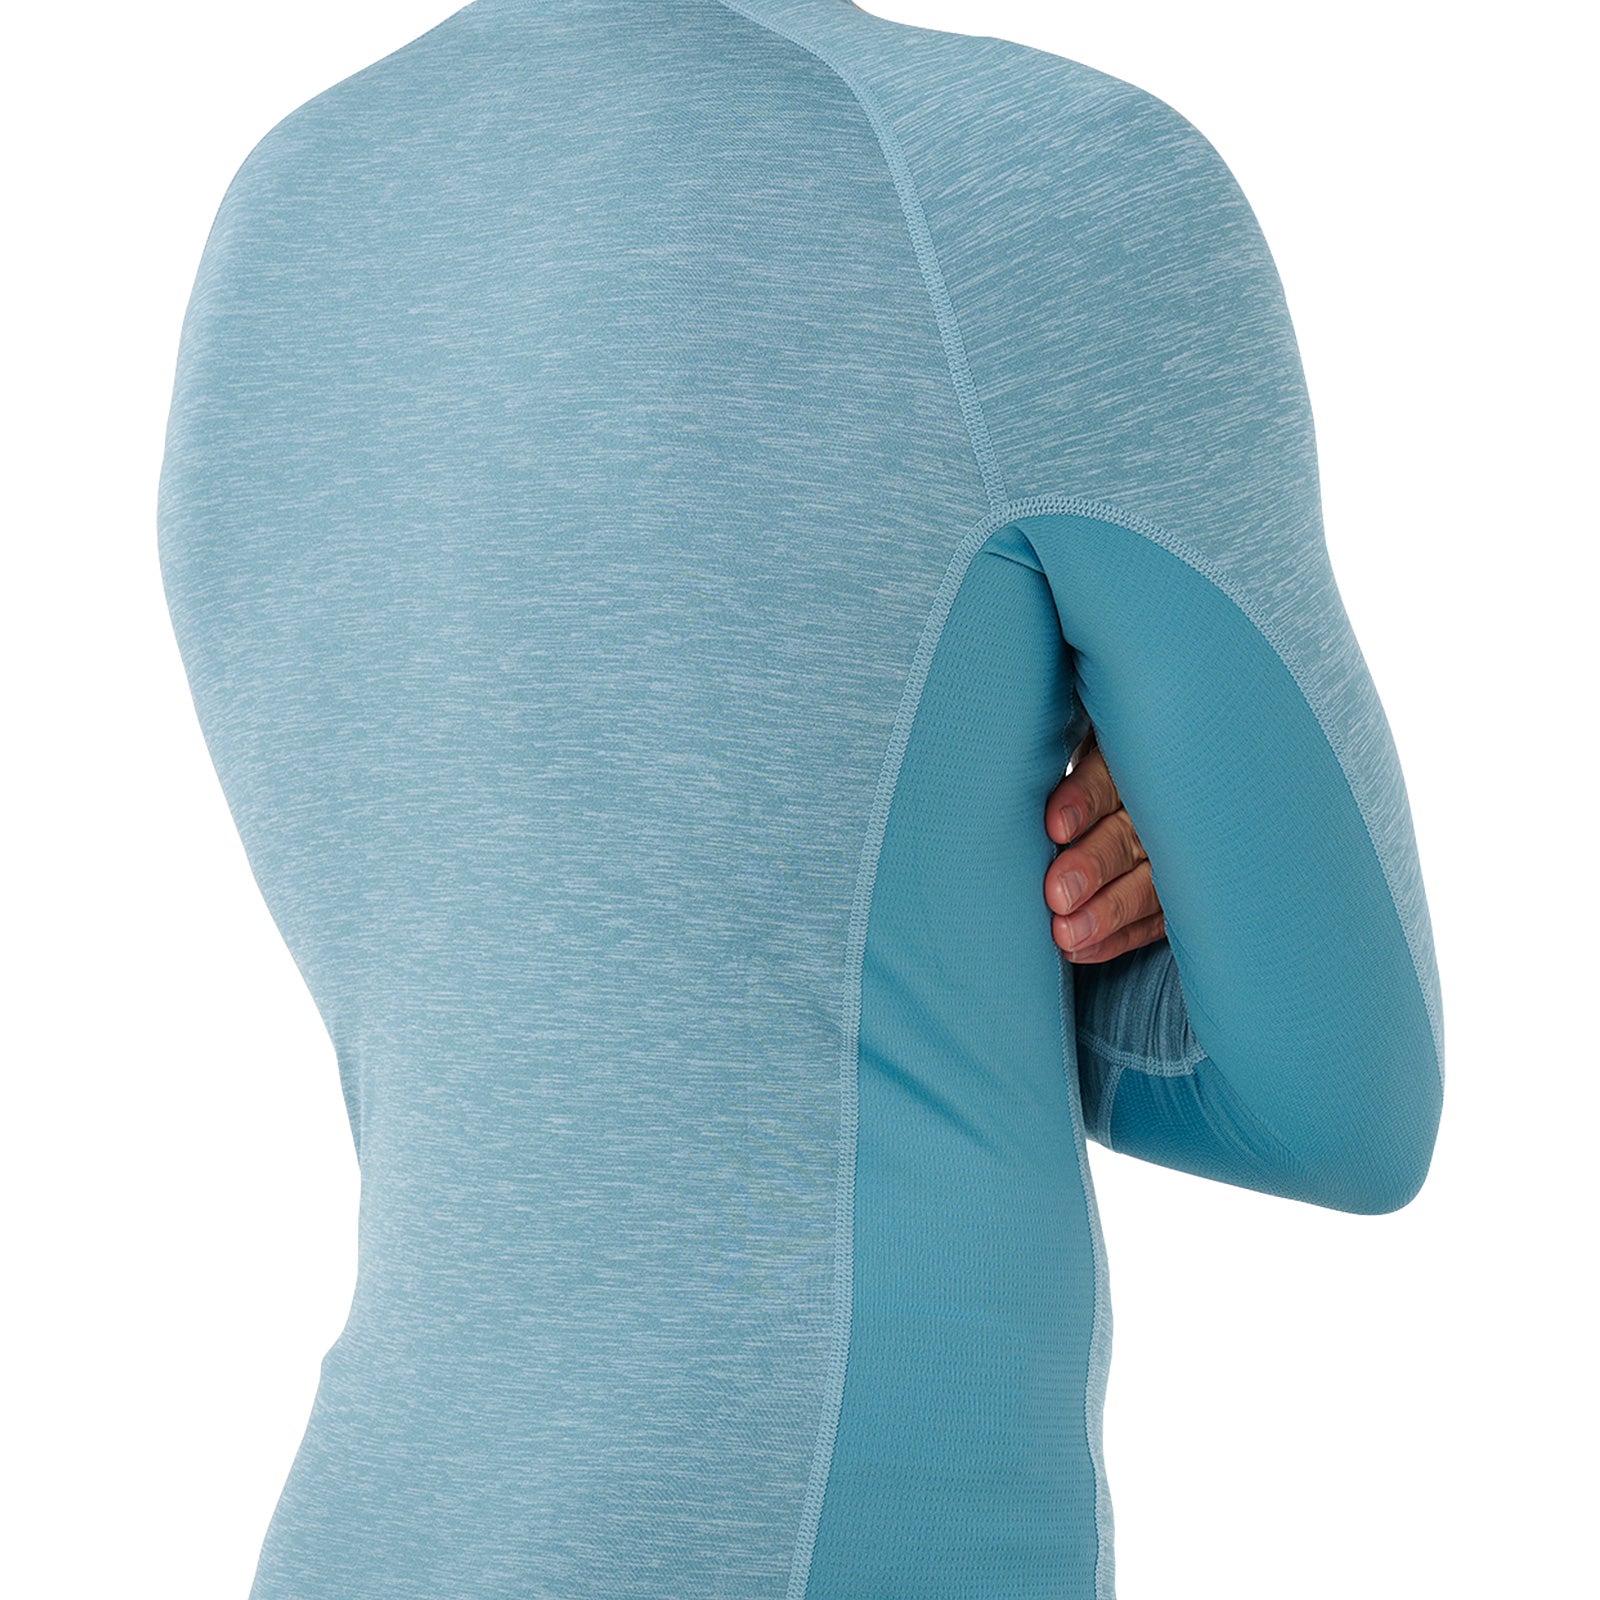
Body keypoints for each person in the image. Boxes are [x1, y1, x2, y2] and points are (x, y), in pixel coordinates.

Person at [156, 1, 1444, 1595]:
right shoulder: (1040, 185)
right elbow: (1342, 1107)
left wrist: (852, 883)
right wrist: (1142, 870)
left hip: (376, 1528)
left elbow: (564, 961)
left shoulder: (287, 217)